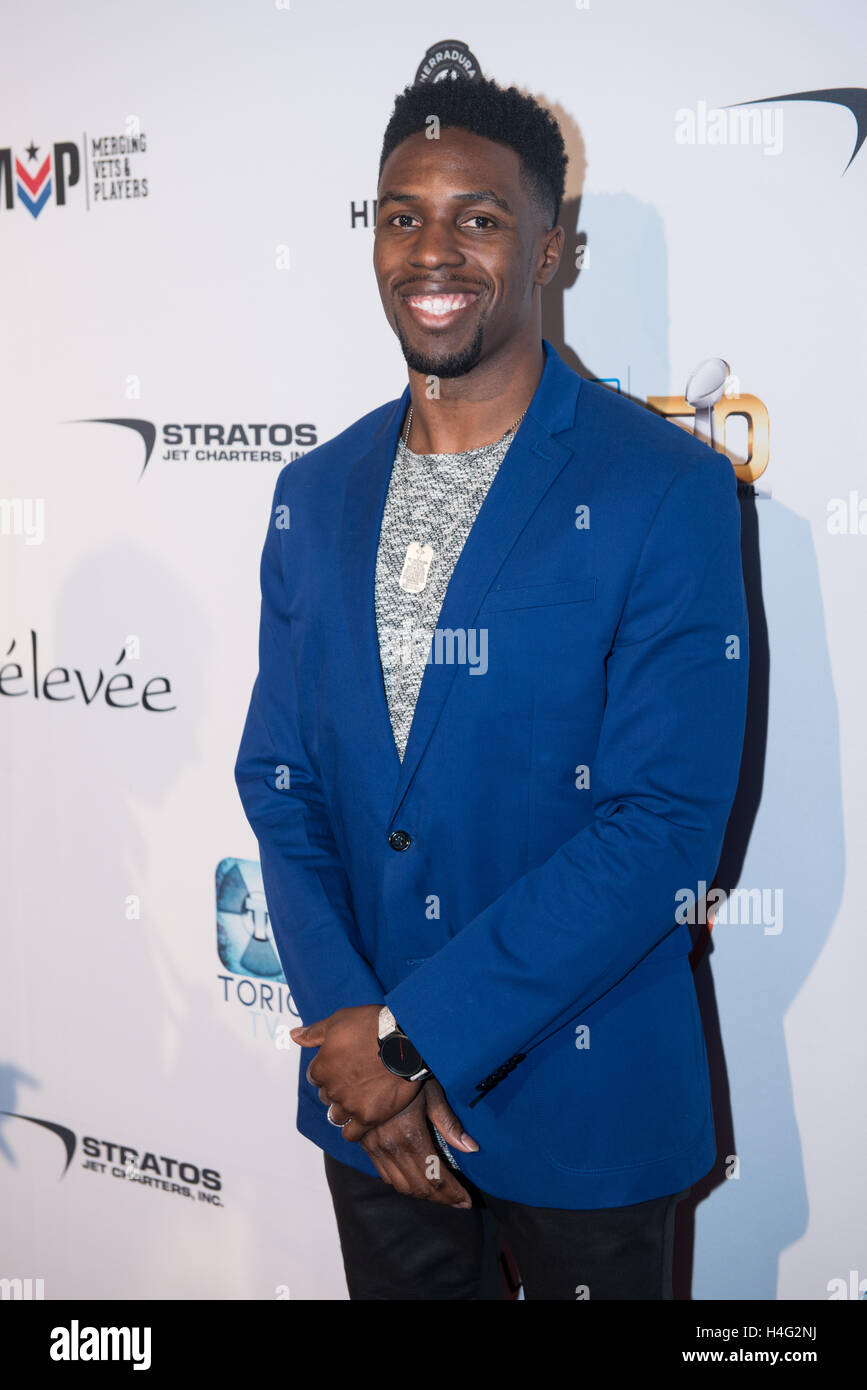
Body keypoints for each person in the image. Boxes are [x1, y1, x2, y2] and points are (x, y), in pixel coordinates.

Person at [234, 75, 749, 1300]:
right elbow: (280, 779)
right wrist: (353, 1038)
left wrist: (410, 1042)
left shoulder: (661, 486)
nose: (433, 252)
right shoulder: (315, 492)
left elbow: (662, 828)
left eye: (480, 217)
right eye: (401, 215)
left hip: (589, 1113)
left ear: (552, 248)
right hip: (369, 1117)